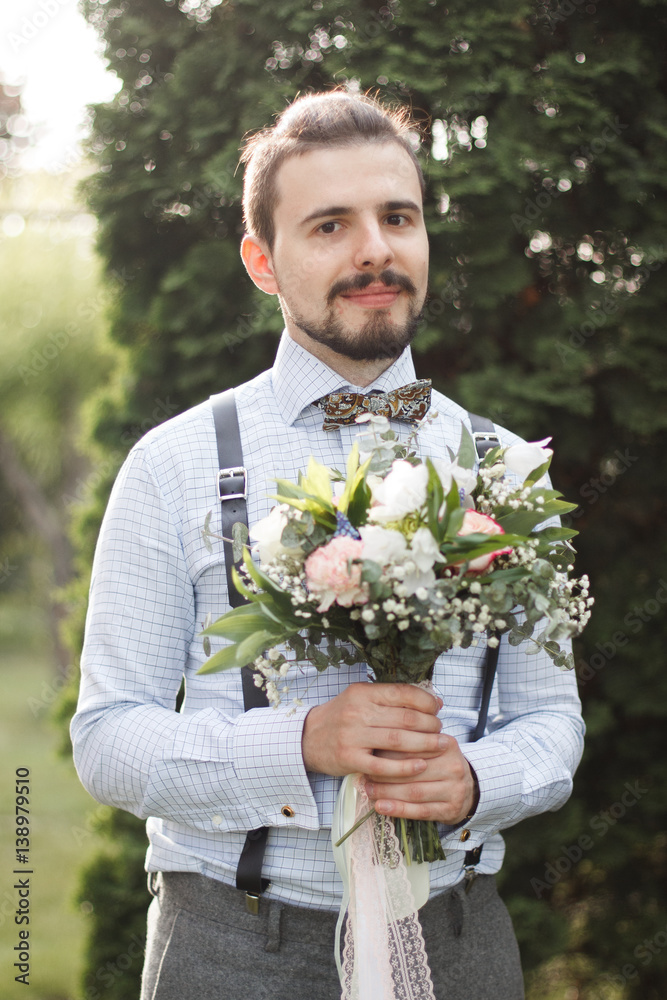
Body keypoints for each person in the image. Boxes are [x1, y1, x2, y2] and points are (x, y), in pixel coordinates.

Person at [71, 91, 584, 1000]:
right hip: (234, 947)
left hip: (458, 940)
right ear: (262, 261)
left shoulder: (505, 469)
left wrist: (472, 781)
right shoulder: (174, 465)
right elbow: (109, 739)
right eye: (329, 226)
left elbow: (551, 726)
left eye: (397, 218)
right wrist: (302, 740)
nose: (374, 250)